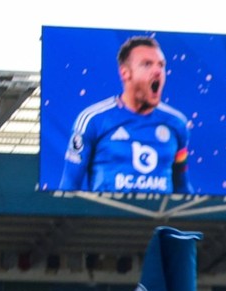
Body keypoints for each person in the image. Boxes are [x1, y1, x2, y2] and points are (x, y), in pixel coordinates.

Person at [59, 36, 191, 195]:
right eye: (147, 64)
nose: (158, 71)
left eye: (161, 65)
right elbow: (69, 187)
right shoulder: (92, 120)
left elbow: (183, 188)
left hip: (160, 212)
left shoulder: (177, 123)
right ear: (125, 73)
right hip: (109, 211)